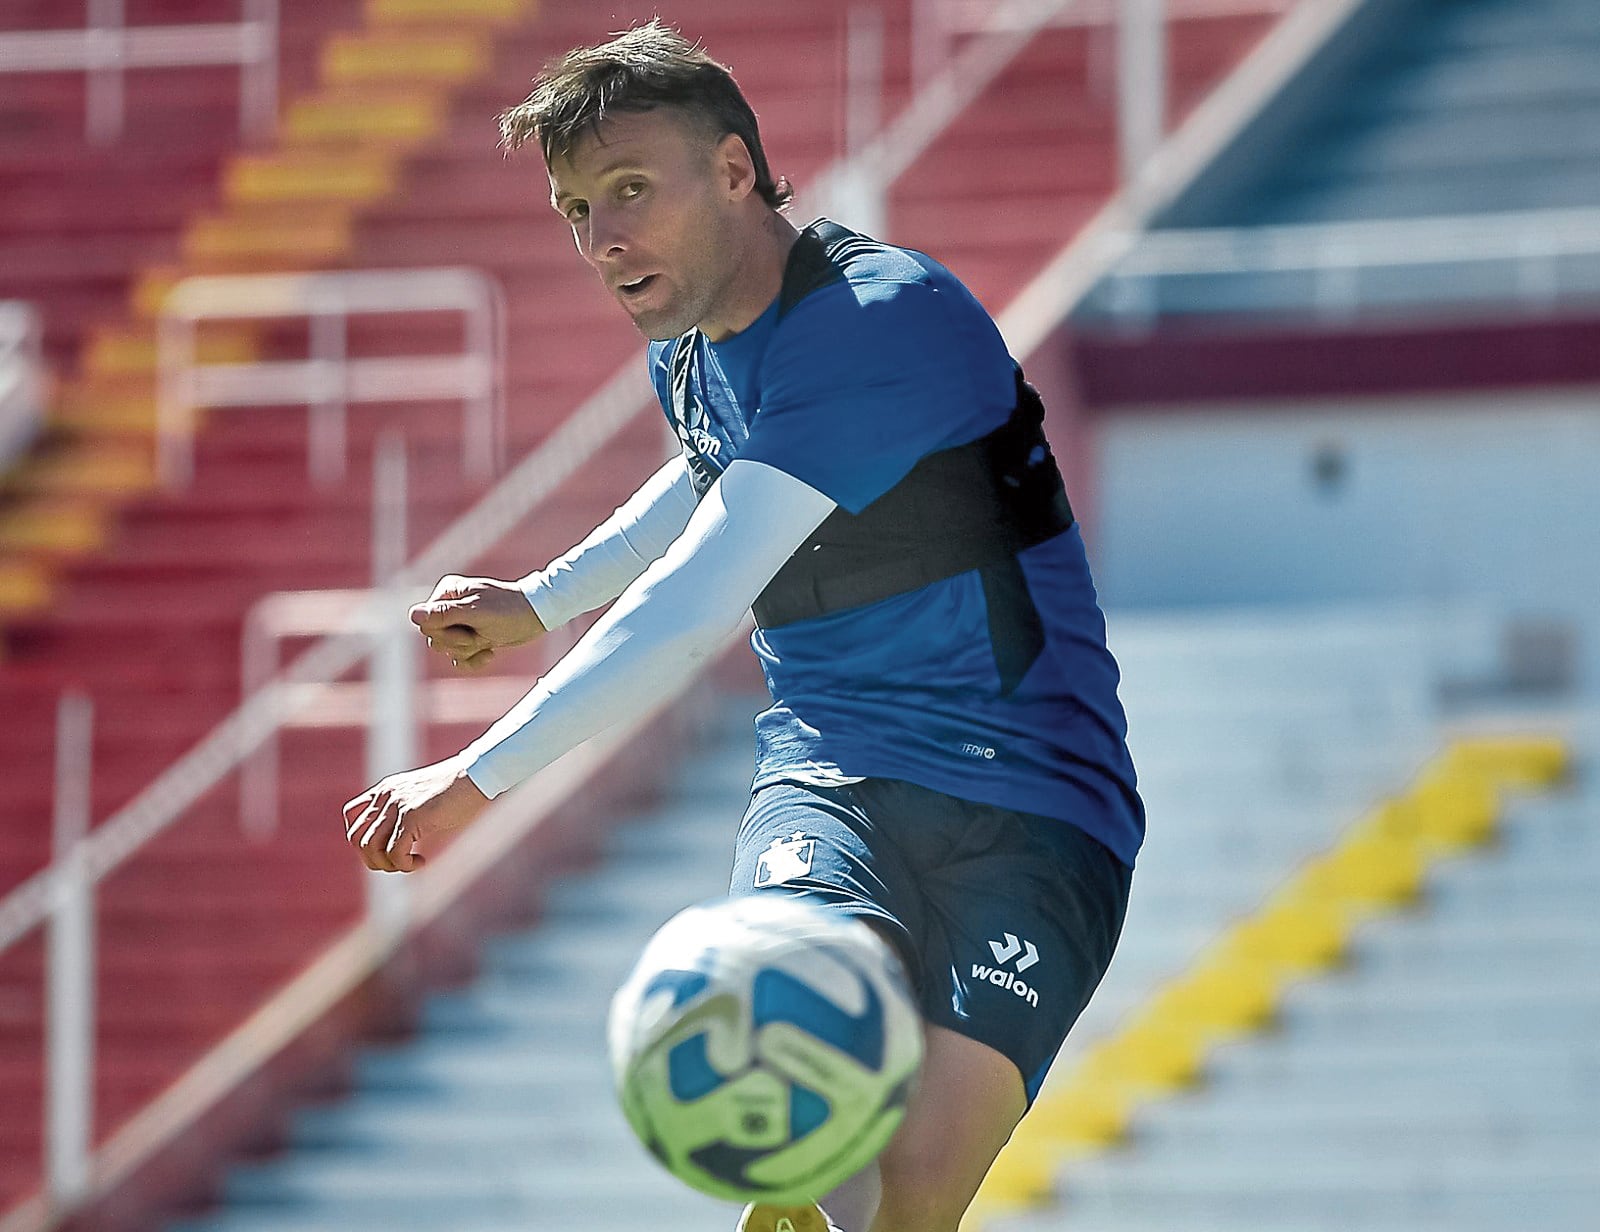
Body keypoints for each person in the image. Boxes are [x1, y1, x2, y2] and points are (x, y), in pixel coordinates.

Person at [341, 20, 1142, 1232]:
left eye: (628, 190)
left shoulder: (882, 319)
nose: (603, 239)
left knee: (915, 1199)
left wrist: (475, 775)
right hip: (833, 776)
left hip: (1038, 803)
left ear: (730, 171)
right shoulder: (692, 335)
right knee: (796, 1073)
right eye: (573, 209)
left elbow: (695, 599)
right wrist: (544, 598)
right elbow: (710, 467)